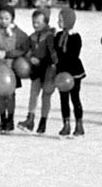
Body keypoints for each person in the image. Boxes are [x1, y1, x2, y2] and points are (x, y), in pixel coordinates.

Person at [0, 6, 30, 133]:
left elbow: (24, 48)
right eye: (1, 18)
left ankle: (10, 119)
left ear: (12, 18)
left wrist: (8, 53)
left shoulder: (19, 34)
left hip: (12, 68)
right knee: (0, 94)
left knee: (11, 95)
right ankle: (2, 118)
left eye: (7, 18)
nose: (3, 21)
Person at [18, 8, 57, 134]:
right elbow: (25, 51)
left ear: (46, 22)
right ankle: (30, 119)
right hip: (36, 70)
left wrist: (42, 61)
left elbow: (53, 55)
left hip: (48, 70)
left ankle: (43, 121)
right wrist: (30, 58)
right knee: (33, 94)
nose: (35, 25)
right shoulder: (32, 37)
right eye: (33, 22)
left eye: (38, 22)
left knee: (46, 96)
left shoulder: (50, 37)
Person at [53, 8, 85, 137]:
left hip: (73, 72)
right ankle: (66, 123)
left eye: (61, 20)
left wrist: (62, 57)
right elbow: (56, 50)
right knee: (63, 99)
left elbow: (73, 55)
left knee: (75, 98)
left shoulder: (75, 37)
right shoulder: (59, 36)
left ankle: (79, 123)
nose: (58, 22)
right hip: (61, 72)